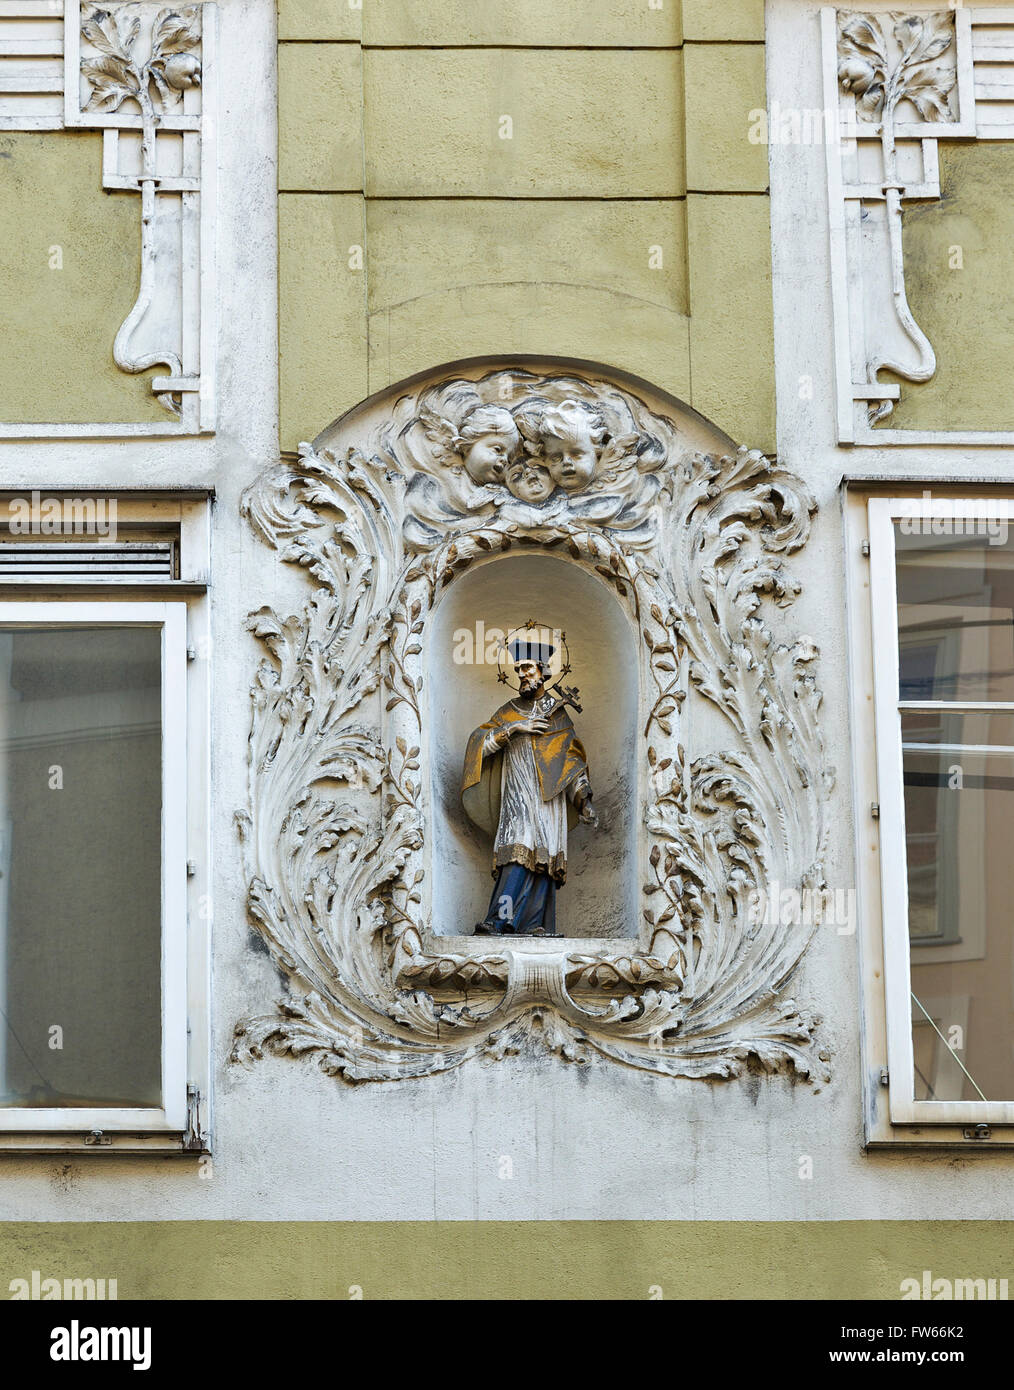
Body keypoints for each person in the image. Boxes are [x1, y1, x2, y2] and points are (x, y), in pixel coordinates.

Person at [461, 637, 598, 936]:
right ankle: (500, 921)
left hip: (548, 798)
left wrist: (582, 798)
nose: (522, 674)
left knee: (543, 859)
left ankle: (537, 925)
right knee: (515, 856)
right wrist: (514, 728)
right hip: (518, 793)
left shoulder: (557, 713)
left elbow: (571, 759)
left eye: (527, 668)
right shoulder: (509, 710)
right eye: (519, 669)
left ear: (543, 670)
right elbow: (478, 744)